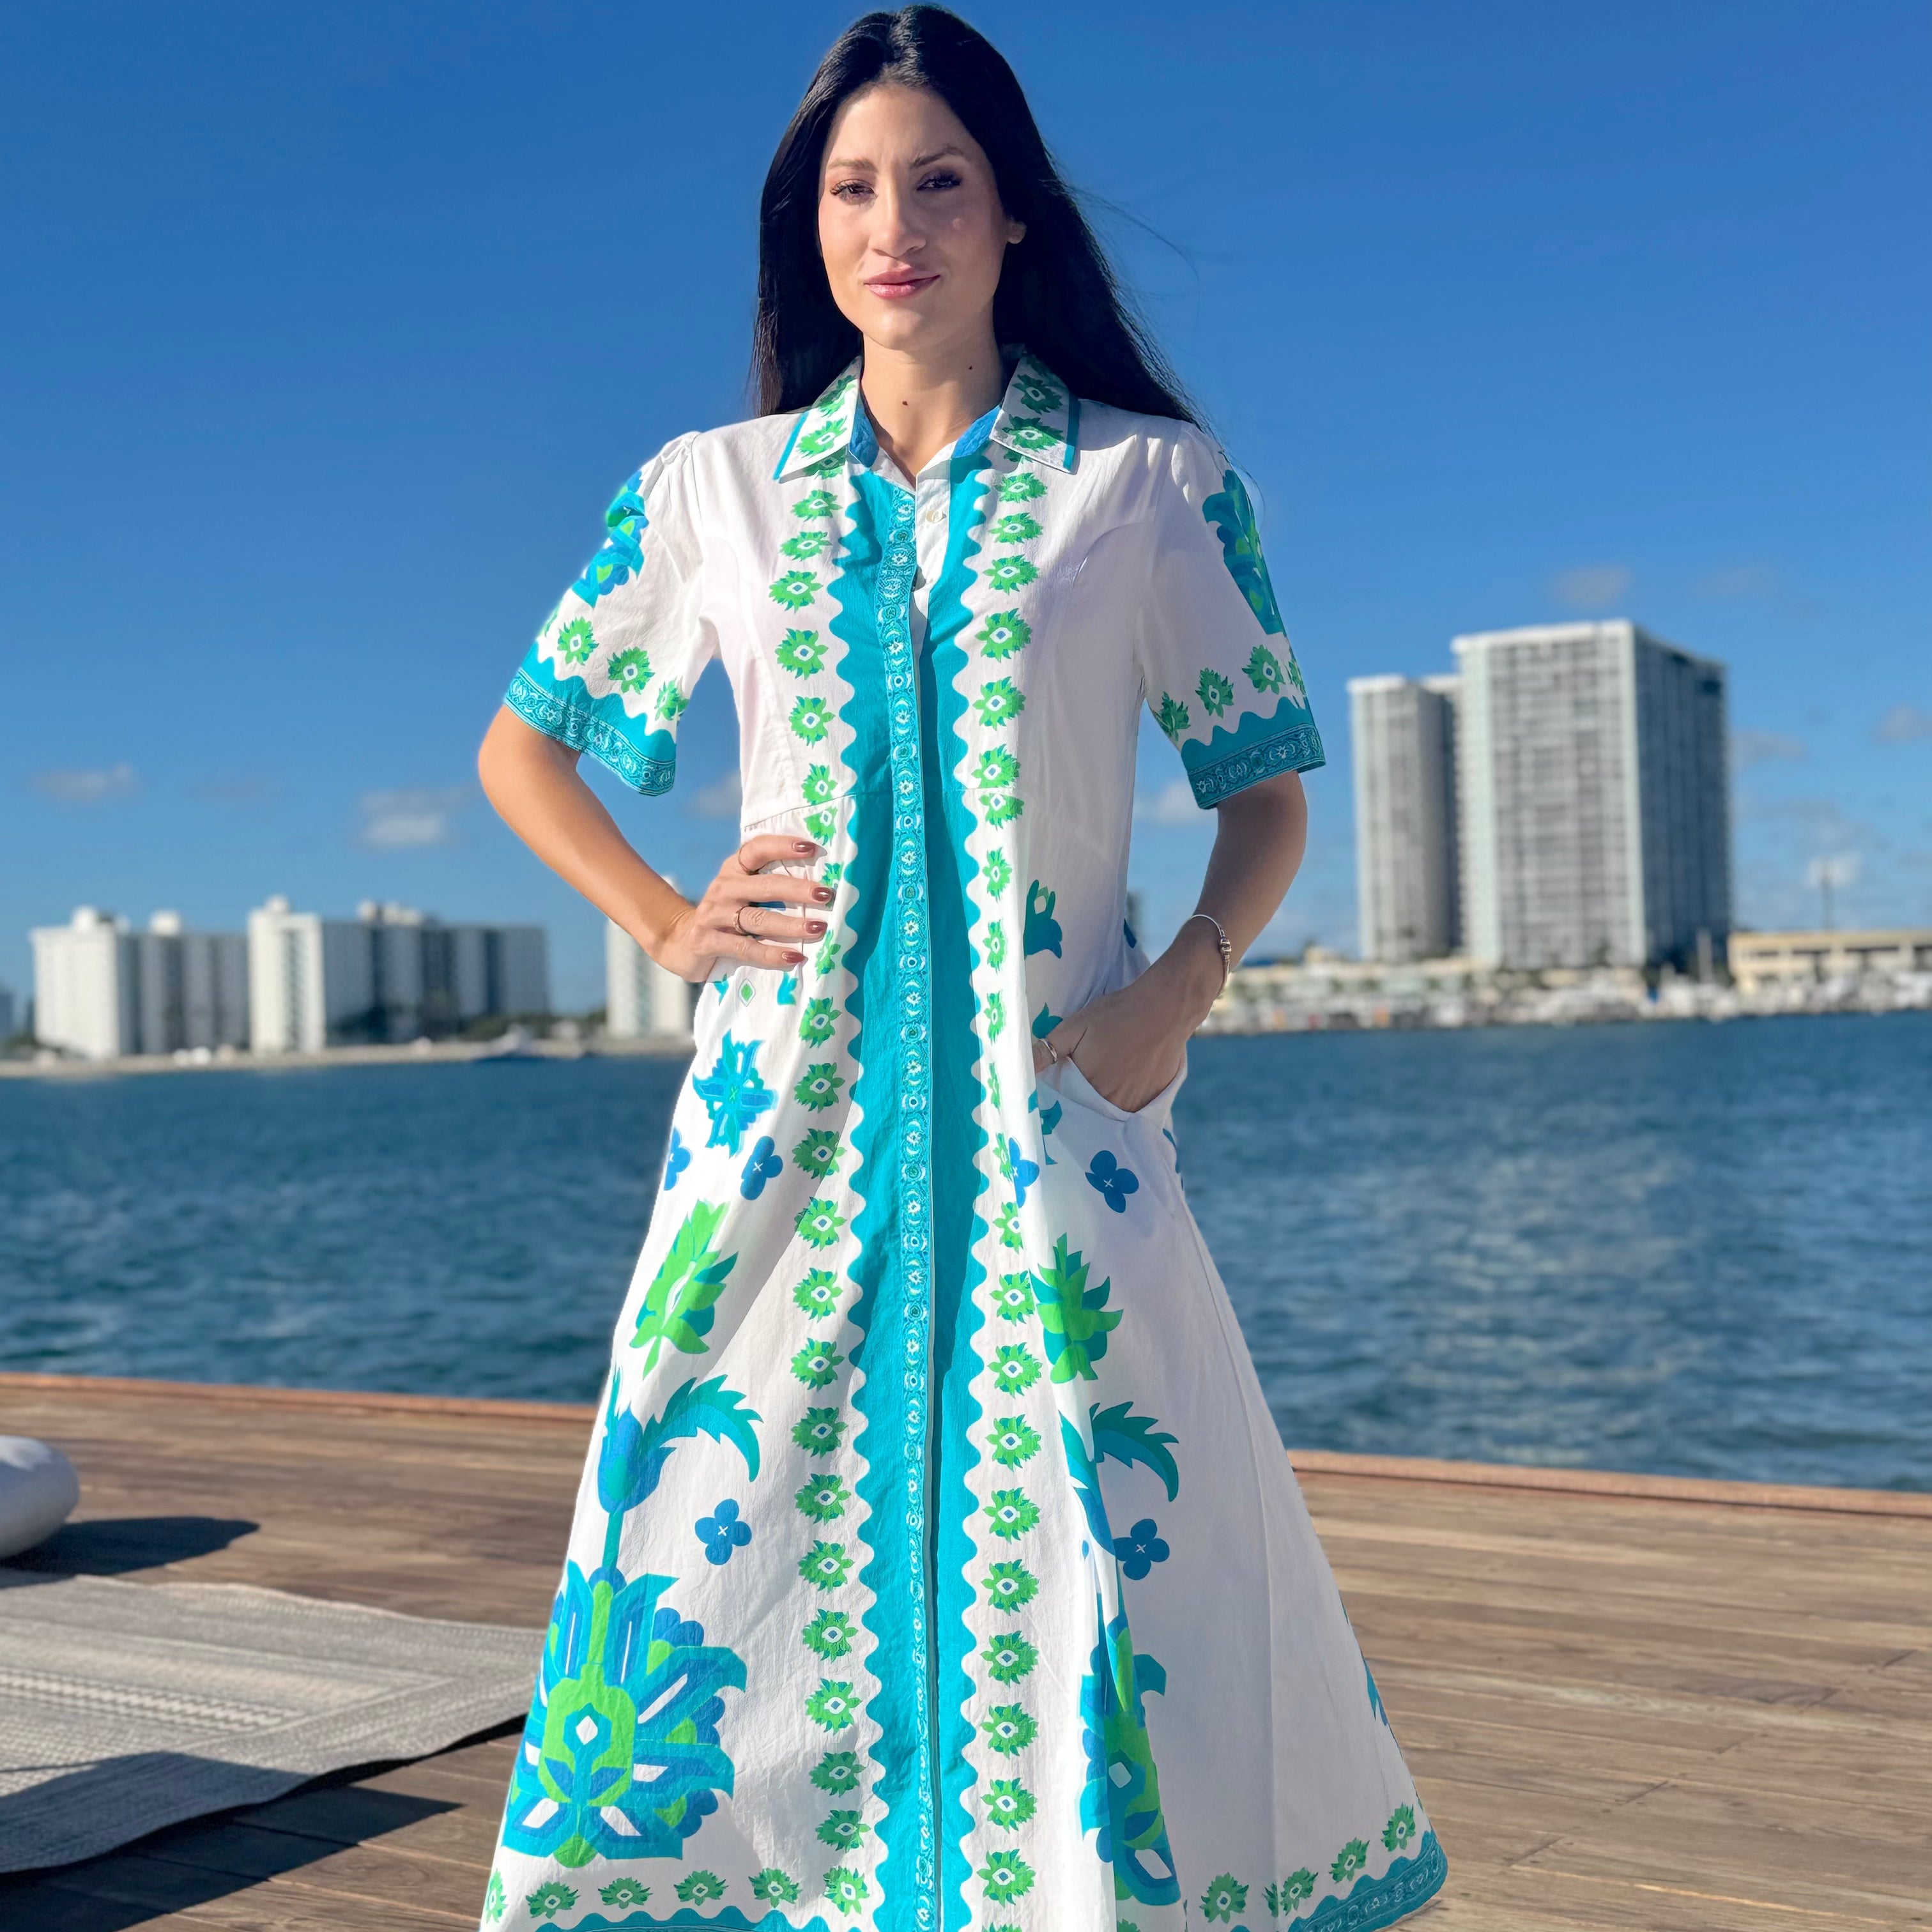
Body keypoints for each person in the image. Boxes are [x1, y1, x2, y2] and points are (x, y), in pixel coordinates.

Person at [473, 8, 1445, 1929]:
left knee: (1112, 1568)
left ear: (1013, 222)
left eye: (939, 182)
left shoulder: (1147, 491)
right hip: (775, 1154)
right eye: (852, 189)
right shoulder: (711, 494)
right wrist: (669, 921)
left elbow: (1264, 798)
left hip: (1056, 1127)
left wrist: (1187, 981)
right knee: (716, 1557)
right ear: (807, 230)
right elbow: (526, 745)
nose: (892, 222)